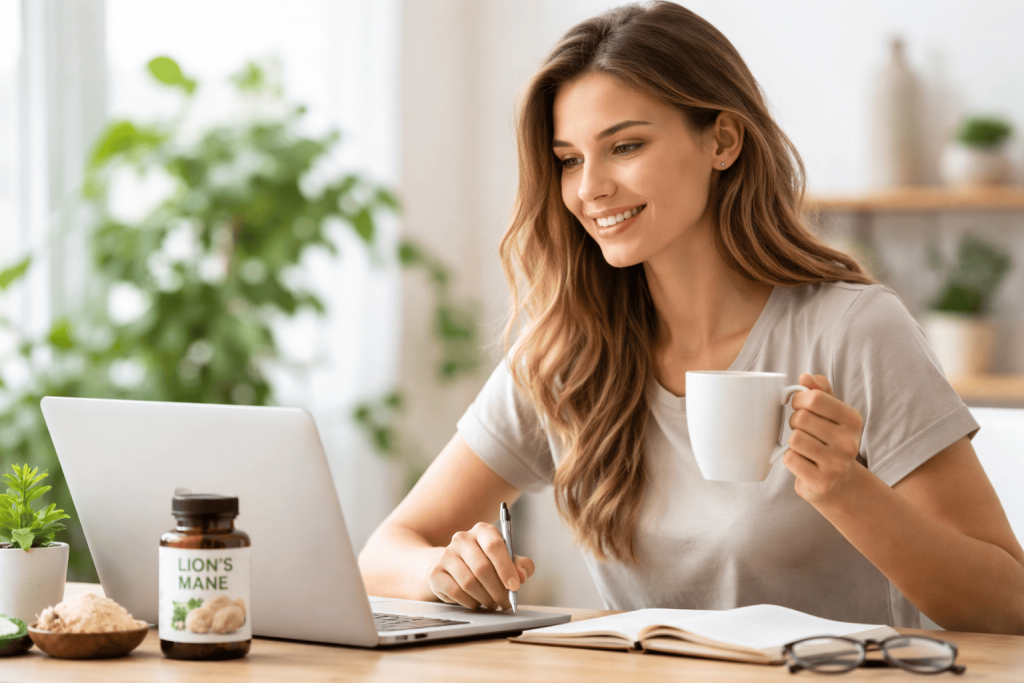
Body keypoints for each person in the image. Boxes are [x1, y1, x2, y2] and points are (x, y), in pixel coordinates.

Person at [359, 2, 1024, 634]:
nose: (589, 188)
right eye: (569, 160)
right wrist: (441, 570)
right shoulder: (568, 351)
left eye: (624, 147)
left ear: (723, 142)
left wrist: (848, 489)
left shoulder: (854, 331)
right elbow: (384, 553)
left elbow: (1008, 603)